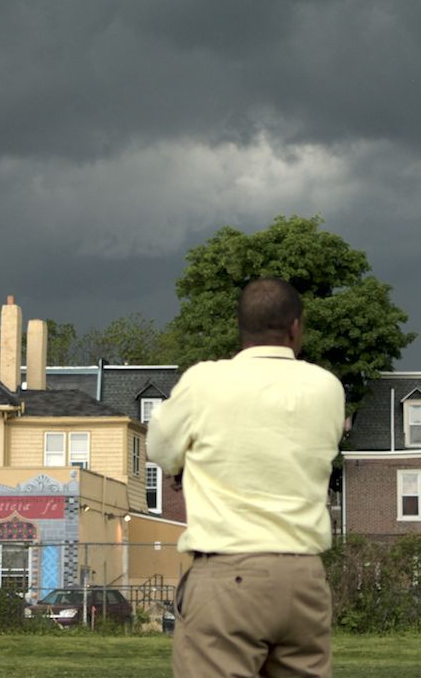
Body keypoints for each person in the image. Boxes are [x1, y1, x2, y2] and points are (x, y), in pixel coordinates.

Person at [148, 278, 347, 678]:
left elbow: (159, 450)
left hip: (228, 575)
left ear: (241, 327)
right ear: (294, 327)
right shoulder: (327, 388)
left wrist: (188, 466)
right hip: (303, 578)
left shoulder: (204, 382)